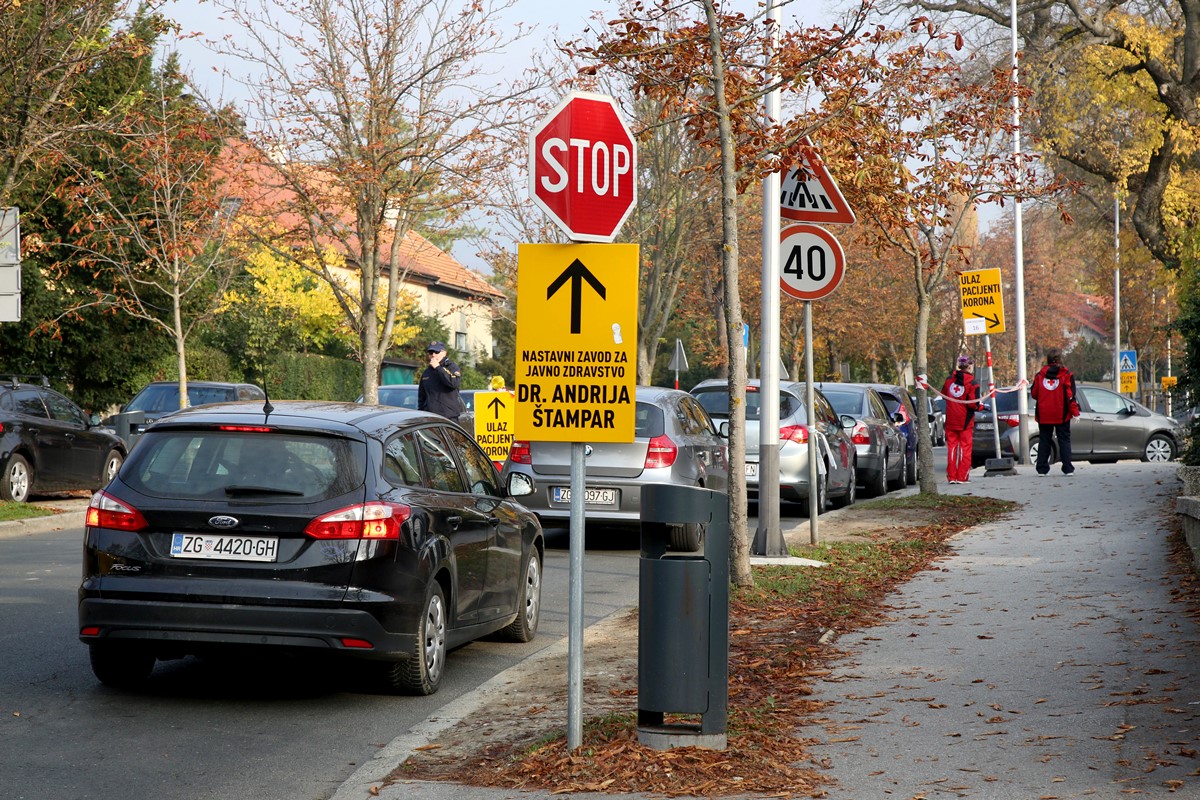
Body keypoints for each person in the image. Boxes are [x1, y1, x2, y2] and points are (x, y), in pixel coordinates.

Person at [1031, 348, 1079, 476]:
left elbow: (1034, 393)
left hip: (1044, 414)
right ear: (1060, 359)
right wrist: (1075, 412)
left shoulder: (1039, 375)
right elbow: (1070, 395)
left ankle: (1042, 468)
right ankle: (1068, 468)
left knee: (1044, 440)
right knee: (1064, 440)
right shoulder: (1067, 374)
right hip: (1061, 413)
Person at [941, 355, 984, 484]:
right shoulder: (973, 383)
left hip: (951, 419)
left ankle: (952, 477)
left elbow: (944, 395)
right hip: (965, 420)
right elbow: (973, 404)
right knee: (965, 448)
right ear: (970, 366)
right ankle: (962, 477)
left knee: (952, 448)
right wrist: (981, 407)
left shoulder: (949, 380)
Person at [417, 341, 463, 422]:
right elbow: (422, 396)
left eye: (436, 352)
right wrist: (422, 413)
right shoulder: (427, 372)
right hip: (430, 418)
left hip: (448, 418)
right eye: (431, 352)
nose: (433, 355)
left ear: (444, 353)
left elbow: (453, 383)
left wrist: (438, 368)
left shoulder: (452, 367)